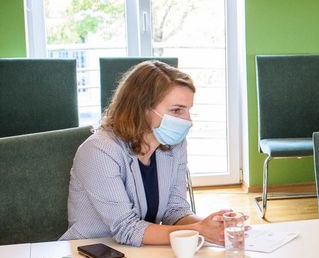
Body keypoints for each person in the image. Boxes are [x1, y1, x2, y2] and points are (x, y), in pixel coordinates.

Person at [63, 60, 232, 246]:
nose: (188, 120)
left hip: (140, 252)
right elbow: (126, 228)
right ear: (142, 108)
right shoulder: (99, 150)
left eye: (188, 110)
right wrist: (198, 230)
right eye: (177, 110)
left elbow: (174, 211)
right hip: (91, 252)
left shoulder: (174, 144)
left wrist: (213, 226)